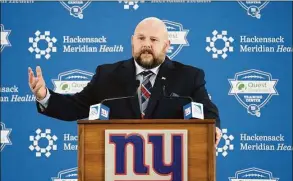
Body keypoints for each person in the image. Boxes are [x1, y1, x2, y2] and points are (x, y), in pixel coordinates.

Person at [28, 17, 222, 146]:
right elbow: (75, 107)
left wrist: (215, 129)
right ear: (132, 41)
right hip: (118, 174)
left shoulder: (189, 76)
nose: (146, 44)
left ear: (167, 45)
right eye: (141, 38)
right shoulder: (107, 74)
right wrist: (44, 95)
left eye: (154, 40)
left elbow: (207, 109)